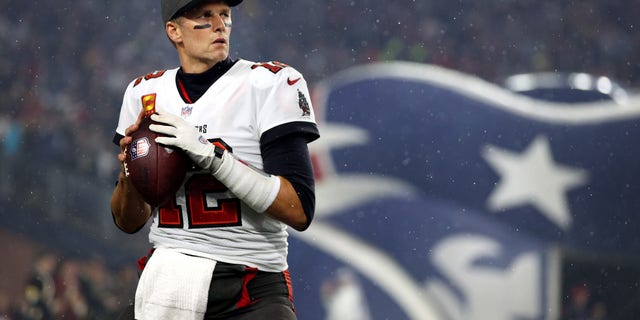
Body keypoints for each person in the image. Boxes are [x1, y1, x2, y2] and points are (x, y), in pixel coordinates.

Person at [110, 0, 319, 319]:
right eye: (204, 16)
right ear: (174, 30)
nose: (220, 24)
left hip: (249, 283)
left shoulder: (268, 83)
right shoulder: (144, 93)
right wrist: (129, 172)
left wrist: (210, 155)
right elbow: (128, 221)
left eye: (224, 15)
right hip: (166, 280)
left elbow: (299, 209)